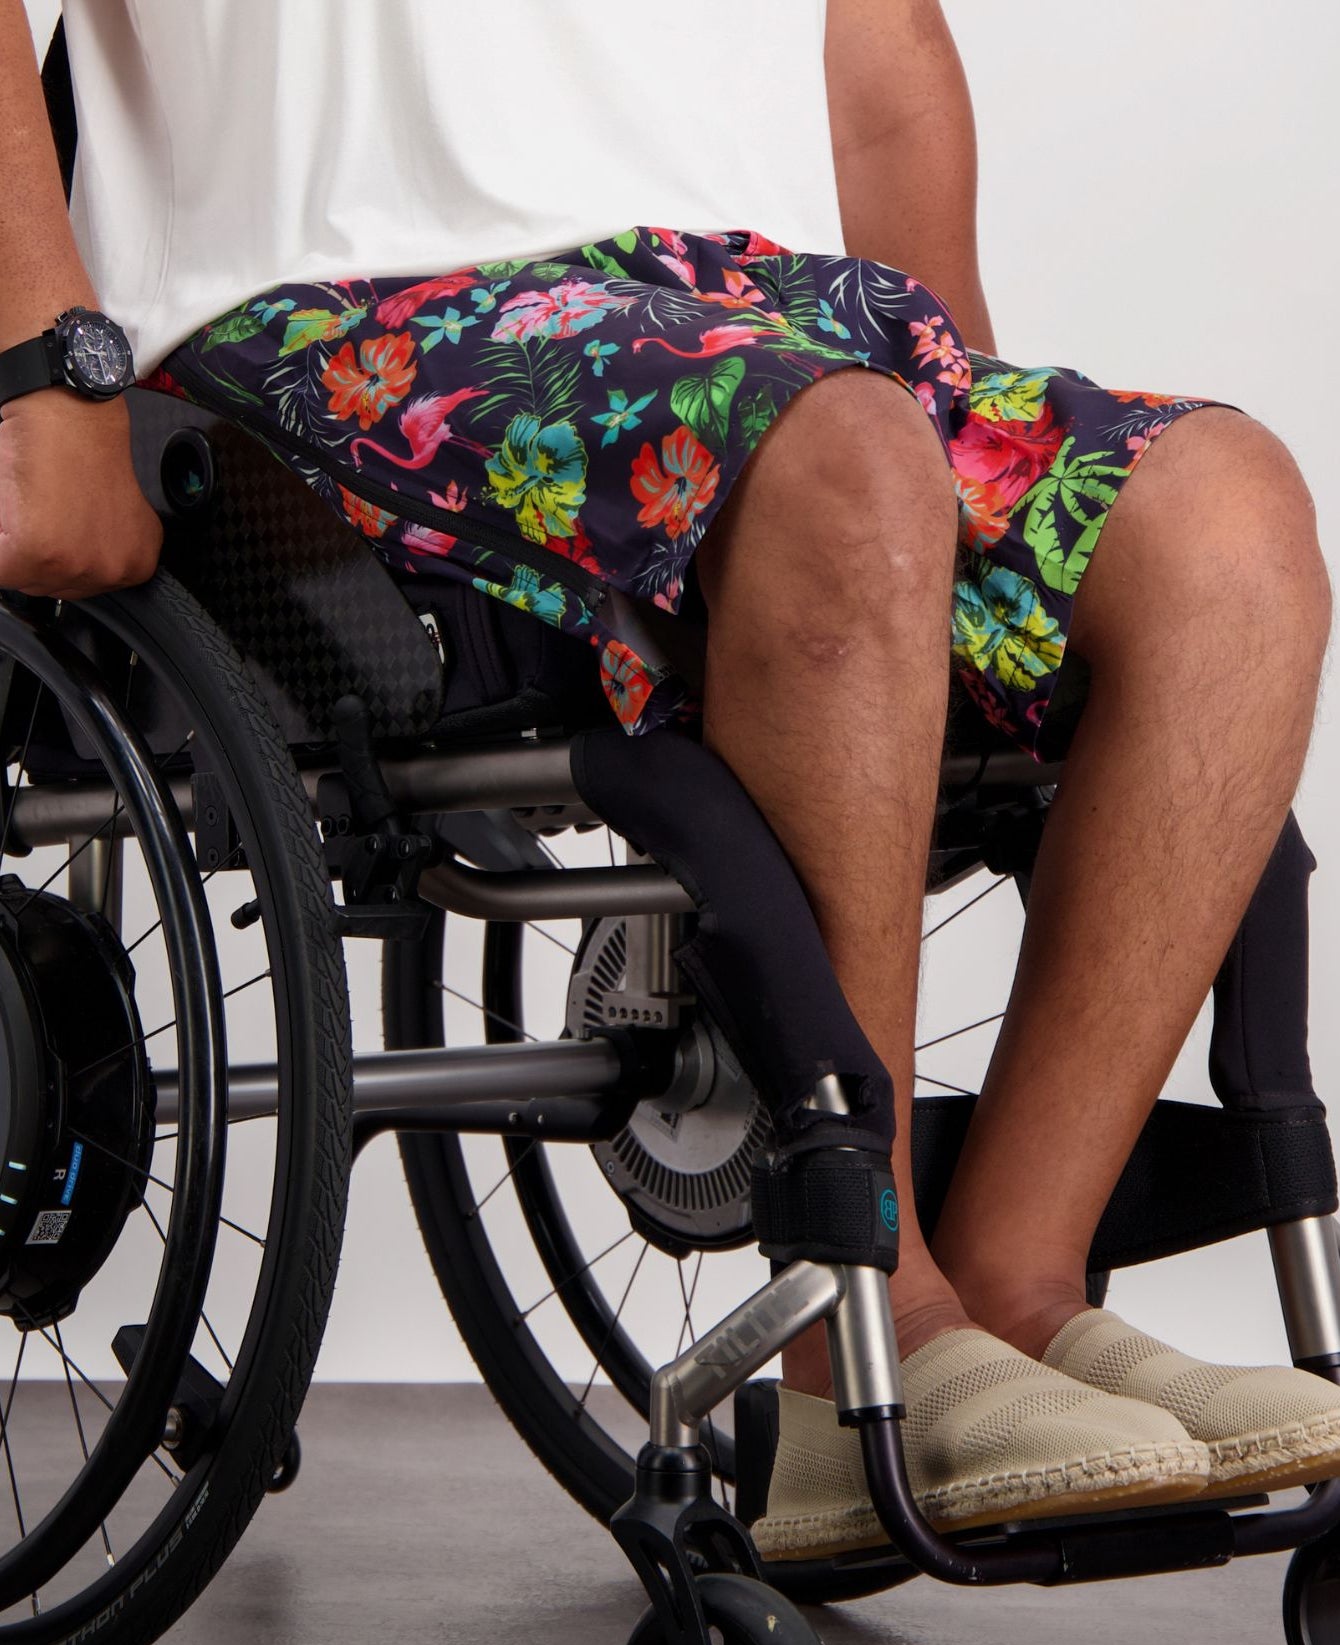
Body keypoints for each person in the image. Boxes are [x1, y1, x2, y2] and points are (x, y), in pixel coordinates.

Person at [0, 0, 1333, 1557]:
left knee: (1223, 529)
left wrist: (945, 500)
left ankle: (1019, 1286)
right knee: (843, 459)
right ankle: (865, 1334)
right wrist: (45, 369)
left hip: (753, 312)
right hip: (331, 314)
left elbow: (875, 39)